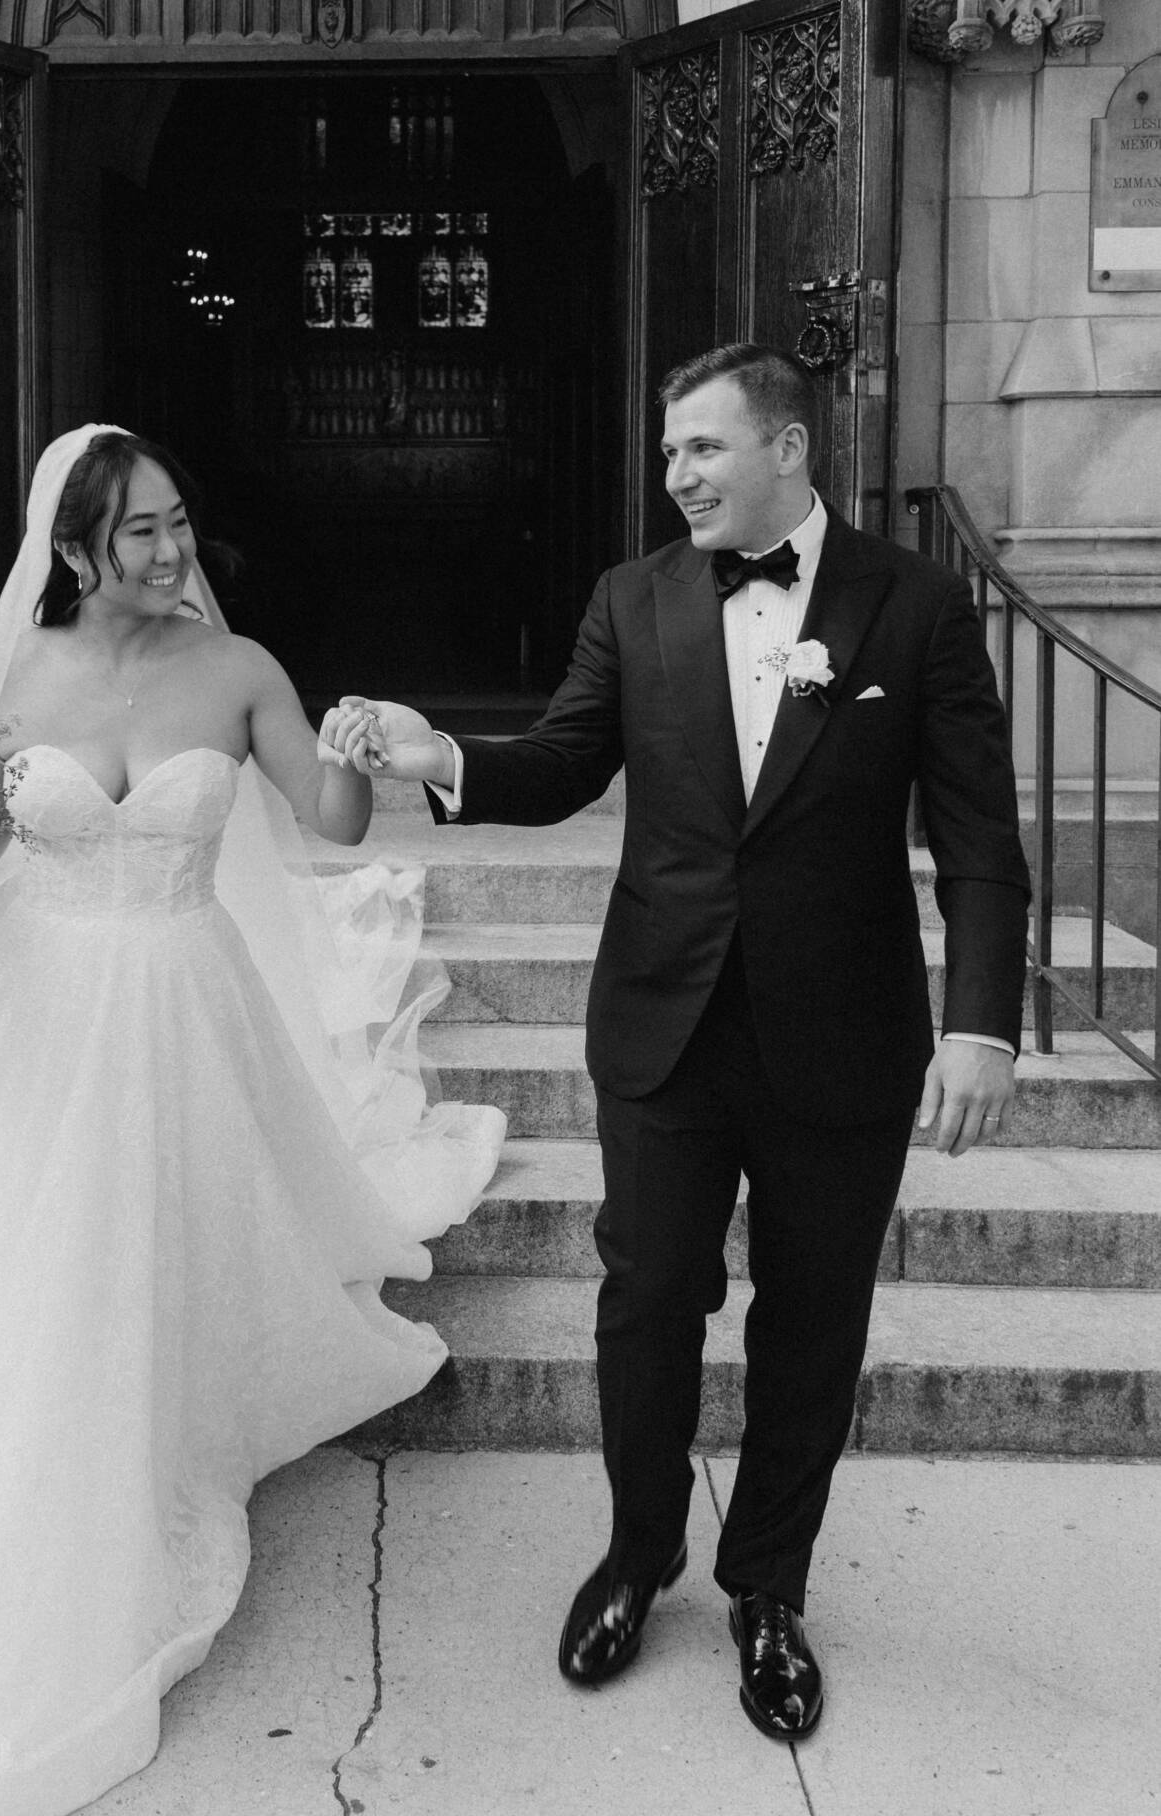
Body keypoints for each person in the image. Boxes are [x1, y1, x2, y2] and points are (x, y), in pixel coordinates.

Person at [329, 343, 1029, 1743]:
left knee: (813, 1319)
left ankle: (768, 1588)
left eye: (702, 448)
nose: (677, 477)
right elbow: (560, 764)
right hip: (664, 1023)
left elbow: (977, 840)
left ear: (787, 446)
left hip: (845, 1033)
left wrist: (980, 1026)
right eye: (668, 454)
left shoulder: (915, 604)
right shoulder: (632, 598)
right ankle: (637, 1553)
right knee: (646, 1302)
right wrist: (439, 756)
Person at [0, 424, 503, 1816]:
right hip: (49, 1021)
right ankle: (66, 1481)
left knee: (168, 1233)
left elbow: (333, 826)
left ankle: (168, 1433)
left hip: (183, 997)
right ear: (73, 547)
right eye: (142, 531)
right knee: (58, 1264)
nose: (173, 553)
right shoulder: (10, 680)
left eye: (178, 522)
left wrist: (357, 750)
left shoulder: (238, 670)